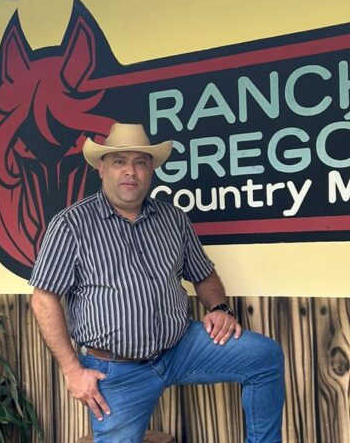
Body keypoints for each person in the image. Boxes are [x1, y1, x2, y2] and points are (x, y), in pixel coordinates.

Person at [29, 123, 285, 442]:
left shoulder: (173, 219)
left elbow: (203, 274)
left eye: (140, 162)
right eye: (120, 161)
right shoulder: (71, 224)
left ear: (150, 170)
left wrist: (220, 308)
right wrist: (72, 370)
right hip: (115, 370)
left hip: (180, 348)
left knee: (264, 356)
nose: (131, 171)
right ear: (101, 168)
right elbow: (43, 299)